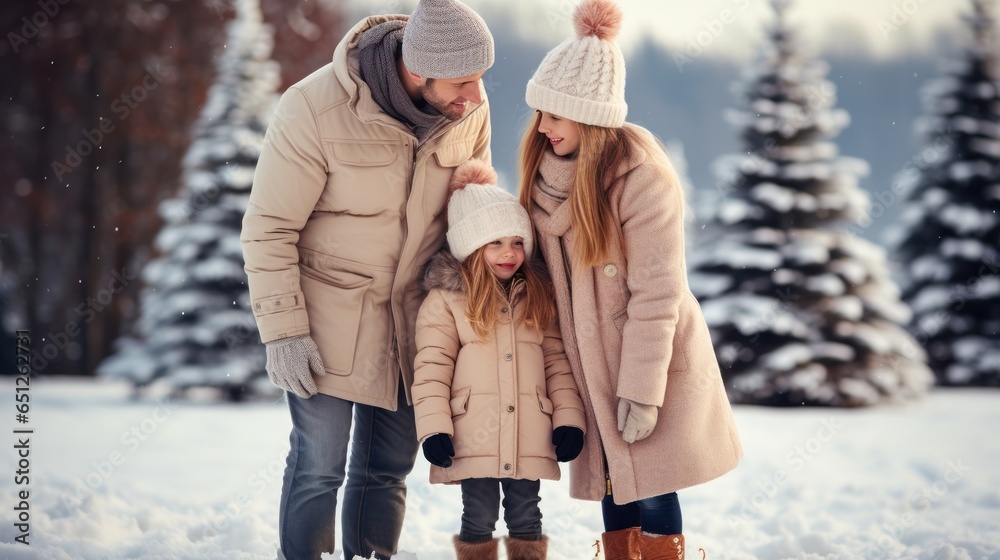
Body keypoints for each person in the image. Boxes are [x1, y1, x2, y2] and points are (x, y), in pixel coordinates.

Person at [239, 0, 494, 557]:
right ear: (418, 68)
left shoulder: (466, 112)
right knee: (319, 466)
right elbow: (269, 228)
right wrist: (284, 332)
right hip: (328, 318)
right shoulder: (314, 106)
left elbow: (471, 214)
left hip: (412, 319)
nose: (475, 96)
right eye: (464, 81)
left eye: (481, 81)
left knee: (387, 471)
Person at [517, 1, 744, 558]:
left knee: (652, 480)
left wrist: (642, 391)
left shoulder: (642, 178)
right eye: (539, 113)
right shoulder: (543, 174)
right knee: (615, 480)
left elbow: (657, 293)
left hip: (648, 357)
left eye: (554, 115)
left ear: (588, 117)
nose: (542, 127)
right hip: (585, 357)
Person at [411, 159, 587, 560]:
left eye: (517, 241)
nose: (509, 253)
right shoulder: (447, 301)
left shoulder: (537, 296)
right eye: (495, 243)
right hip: (471, 437)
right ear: (471, 246)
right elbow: (432, 368)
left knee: (527, 513)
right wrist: (433, 428)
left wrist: (569, 419)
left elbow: (558, 364)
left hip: (529, 433)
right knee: (478, 513)